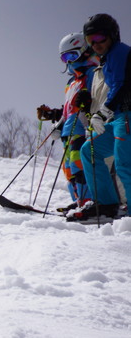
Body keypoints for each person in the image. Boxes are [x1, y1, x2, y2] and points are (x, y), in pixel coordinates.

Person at [69, 14, 131, 221]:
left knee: (124, 164)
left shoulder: (120, 52)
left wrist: (103, 111)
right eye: (90, 40)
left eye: (100, 38)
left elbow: (121, 85)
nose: (95, 44)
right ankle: (106, 204)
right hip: (119, 116)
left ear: (113, 35)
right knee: (89, 151)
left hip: (127, 115)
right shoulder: (107, 60)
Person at [37, 32, 99, 212]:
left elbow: (94, 100)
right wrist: (56, 117)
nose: (68, 62)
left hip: (83, 128)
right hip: (69, 129)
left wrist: (87, 102)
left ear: (84, 51)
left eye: (72, 55)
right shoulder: (72, 82)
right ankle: (78, 199)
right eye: (64, 58)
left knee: (80, 165)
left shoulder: (92, 74)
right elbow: (68, 109)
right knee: (68, 168)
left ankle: (89, 200)